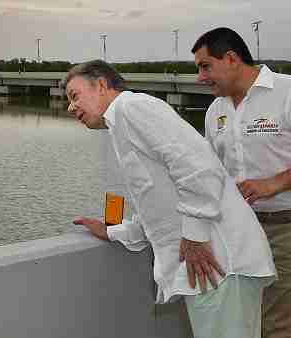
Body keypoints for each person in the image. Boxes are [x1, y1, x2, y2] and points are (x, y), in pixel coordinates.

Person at [67, 60, 275, 338]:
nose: (70, 108)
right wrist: (114, 231)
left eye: (74, 95)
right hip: (210, 267)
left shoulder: (132, 108)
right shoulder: (121, 126)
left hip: (217, 263)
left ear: (102, 85)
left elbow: (199, 168)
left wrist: (195, 237)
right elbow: (160, 206)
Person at [192, 27, 291, 338]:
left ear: (232, 58)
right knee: (241, 319)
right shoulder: (215, 112)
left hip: (283, 228)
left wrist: (274, 183)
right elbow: (207, 176)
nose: (200, 77)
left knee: (275, 323)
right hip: (235, 233)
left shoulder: (286, 92)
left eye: (205, 66)